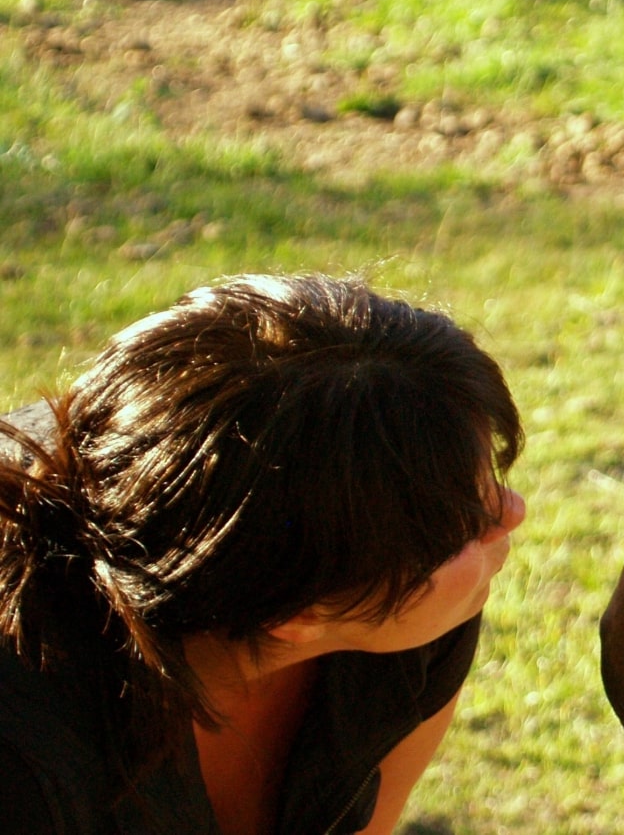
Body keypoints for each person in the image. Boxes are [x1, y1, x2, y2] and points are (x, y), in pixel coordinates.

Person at [0, 273, 527, 834]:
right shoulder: (26, 760)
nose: (511, 511)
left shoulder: (403, 603)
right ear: (296, 616)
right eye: (467, 521)